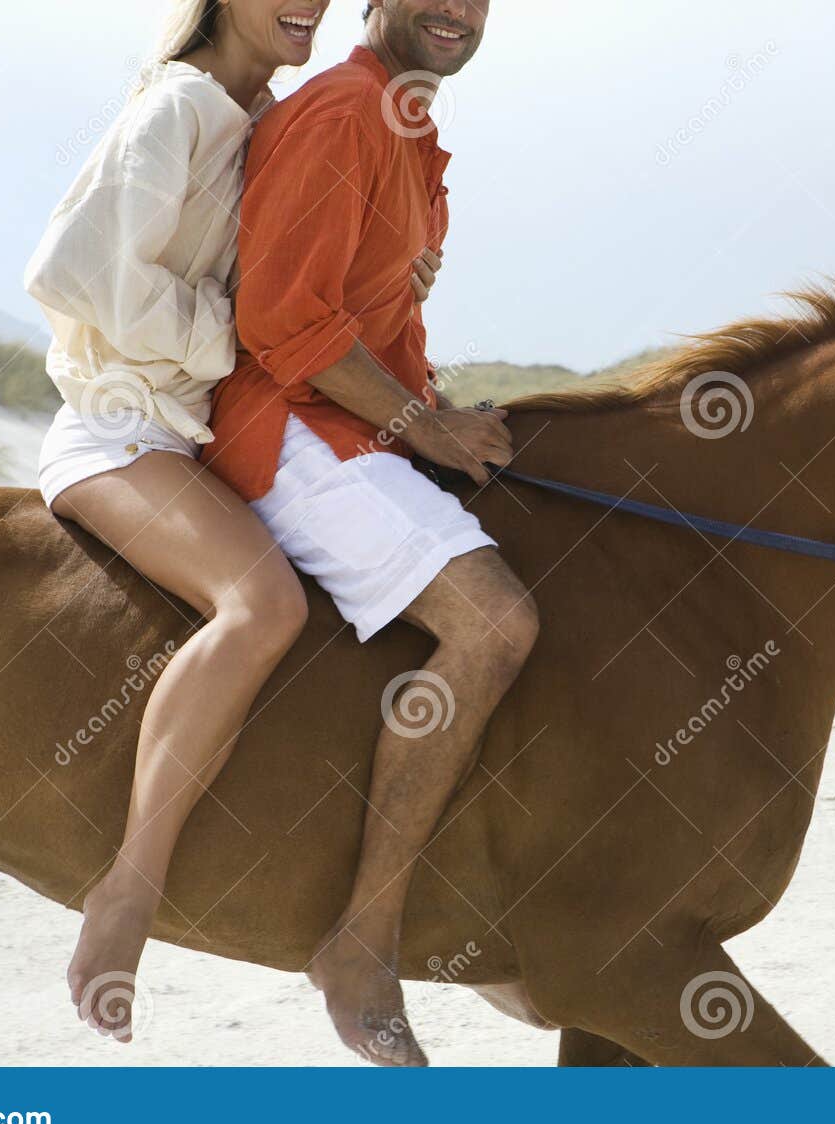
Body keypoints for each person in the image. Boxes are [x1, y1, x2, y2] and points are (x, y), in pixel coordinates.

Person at [23, 0, 434, 1044]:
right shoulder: (181, 107)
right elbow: (69, 271)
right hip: (117, 432)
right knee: (260, 604)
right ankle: (127, 889)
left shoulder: (262, 116)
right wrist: (232, 342)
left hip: (186, 437)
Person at [206, 0, 533, 1066]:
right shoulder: (344, 111)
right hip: (285, 425)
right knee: (491, 622)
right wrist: (421, 424)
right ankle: (360, 945)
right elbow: (281, 321)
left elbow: (371, 313)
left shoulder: (410, 130)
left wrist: (430, 401)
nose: (455, 10)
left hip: (356, 417)